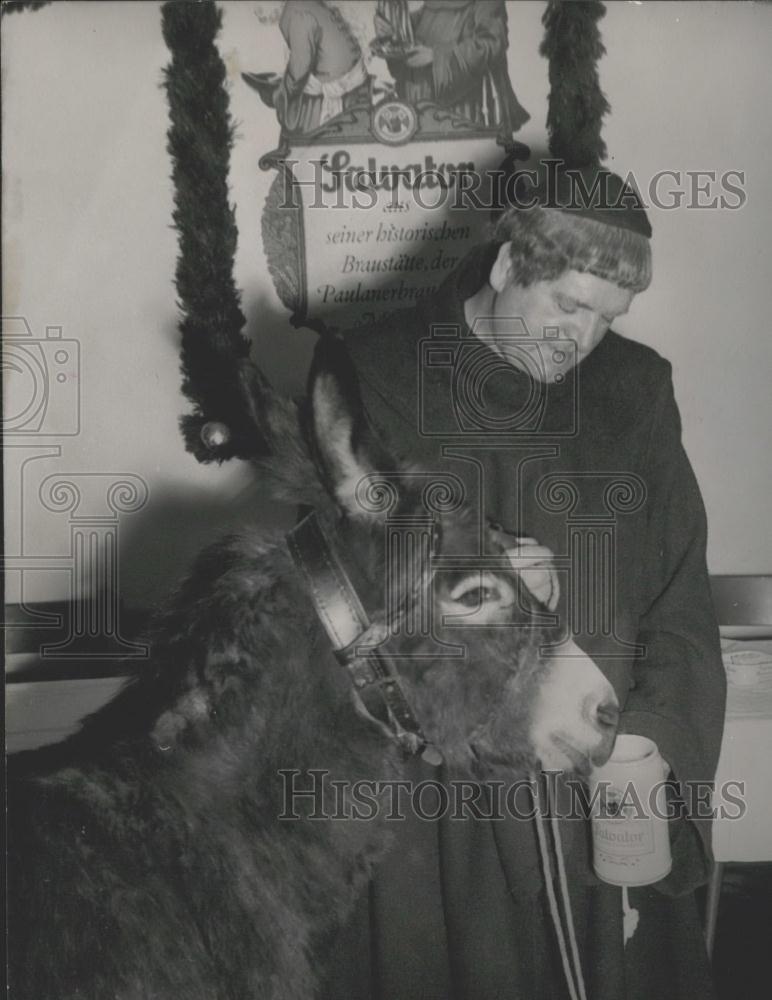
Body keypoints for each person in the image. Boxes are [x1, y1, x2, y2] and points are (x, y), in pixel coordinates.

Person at [314, 165, 727, 999]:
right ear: (507, 266)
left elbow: (679, 595)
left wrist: (649, 745)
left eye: (606, 320)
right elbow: (333, 601)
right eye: (568, 305)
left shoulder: (633, 391)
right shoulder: (376, 373)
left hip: (600, 786)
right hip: (433, 820)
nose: (581, 340)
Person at [375, 0, 530, 135]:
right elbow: (417, 31)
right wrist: (391, 31)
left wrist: (435, 56)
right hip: (424, 101)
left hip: (467, 105)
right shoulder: (430, 5)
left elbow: (492, 44)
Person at [272, 0, 370, 134]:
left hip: (337, 94)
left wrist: (284, 92)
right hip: (357, 81)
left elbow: (300, 67)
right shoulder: (314, 4)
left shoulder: (297, 10)